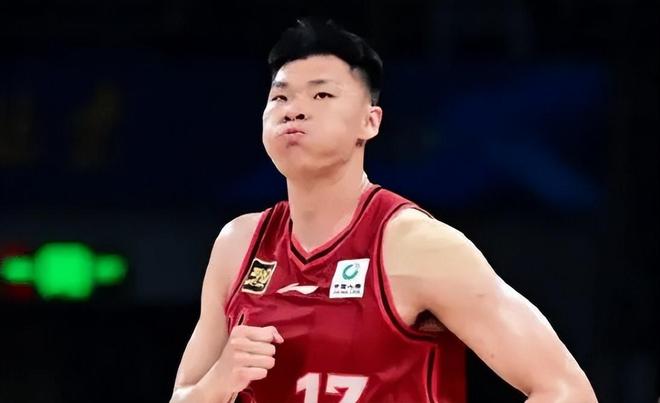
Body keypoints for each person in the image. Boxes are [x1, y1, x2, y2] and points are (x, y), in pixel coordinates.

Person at [170, 18, 597, 403]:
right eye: (280, 96)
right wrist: (217, 383)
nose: (294, 109)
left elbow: (565, 389)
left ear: (370, 122)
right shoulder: (238, 245)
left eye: (321, 94)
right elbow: (184, 395)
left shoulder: (417, 246)